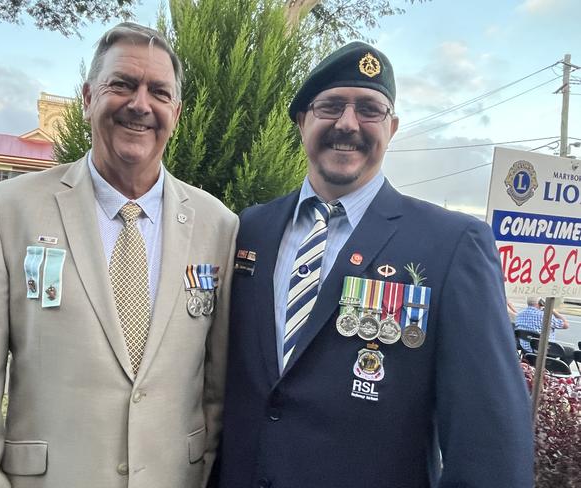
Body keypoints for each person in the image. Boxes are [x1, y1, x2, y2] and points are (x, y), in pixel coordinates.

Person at [218, 42, 533, 487]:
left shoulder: (452, 245)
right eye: (330, 106)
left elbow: (490, 443)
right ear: (302, 121)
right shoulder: (250, 229)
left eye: (369, 109)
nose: (347, 124)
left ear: (393, 127)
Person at [0, 23, 238, 488]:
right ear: (87, 98)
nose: (140, 104)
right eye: (121, 84)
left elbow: (217, 391)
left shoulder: (217, 225)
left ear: (176, 112)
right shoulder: (10, 210)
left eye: (158, 92)